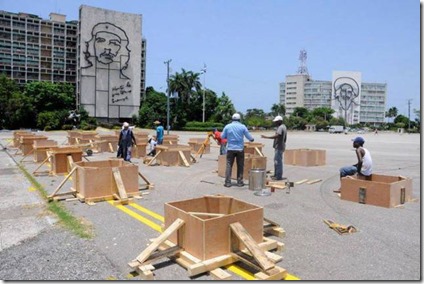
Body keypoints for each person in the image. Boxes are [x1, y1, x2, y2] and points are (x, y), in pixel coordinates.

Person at [221, 113, 254, 187]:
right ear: (239, 119)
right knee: (240, 165)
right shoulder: (242, 126)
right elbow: (249, 136)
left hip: (230, 148)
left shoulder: (228, 126)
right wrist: (251, 139)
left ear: (232, 119)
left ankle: (228, 182)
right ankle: (239, 182)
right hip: (240, 149)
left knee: (229, 165)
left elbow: (222, 136)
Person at [261, 115, 287, 181]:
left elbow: (277, 136)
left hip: (279, 147)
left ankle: (278, 176)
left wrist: (266, 137)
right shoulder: (283, 126)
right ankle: (276, 175)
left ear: (279, 121)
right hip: (280, 146)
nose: (275, 123)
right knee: (277, 161)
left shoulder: (281, 127)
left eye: (276, 121)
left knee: (278, 162)